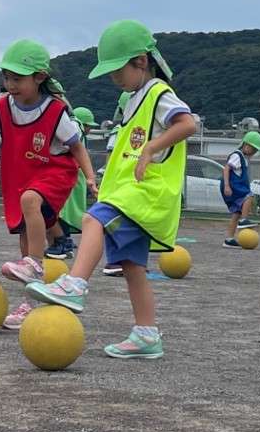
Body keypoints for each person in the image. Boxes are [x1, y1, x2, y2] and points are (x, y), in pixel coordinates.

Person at [26, 20, 195, 360]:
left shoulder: (159, 93)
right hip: (130, 193)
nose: (114, 78)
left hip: (146, 193)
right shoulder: (133, 99)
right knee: (132, 266)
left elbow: (188, 123)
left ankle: (75, 285)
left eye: (118, 70)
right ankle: (147, 334)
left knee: (93, 219)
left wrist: (151, 148)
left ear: (141, 61)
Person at [0, 40, 95, 322]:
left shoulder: (55, 110)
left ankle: (36, 263)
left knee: (30, 201)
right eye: (7, 78)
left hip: (55, 173)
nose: (10, 85)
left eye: (17, 78)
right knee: (25, 237)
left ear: (39, 77)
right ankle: (29, 303)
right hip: (21, 175)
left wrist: (89, 176)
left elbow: (77, 147)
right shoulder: (3, 107)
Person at [47, 105, 96, 261]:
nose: (89, 129)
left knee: (60, 212)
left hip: (72, 175)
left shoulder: (73, 128)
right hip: (73, 176)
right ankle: (63, 240)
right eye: (88, 125)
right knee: (62, 211)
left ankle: (63, 241)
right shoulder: (74, 127)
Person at [222, 130, 260, 245]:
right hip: (232, 185)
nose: (254, 152)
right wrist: (227, 185)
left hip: (236, 185)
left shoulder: (244, 158)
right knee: (249, 196)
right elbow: (226, 169)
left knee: (236, 213)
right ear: (245, 145)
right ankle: (244, 220)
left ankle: (229, 239)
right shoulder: (237, 155)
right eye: (253, 149)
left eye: (256, 150)